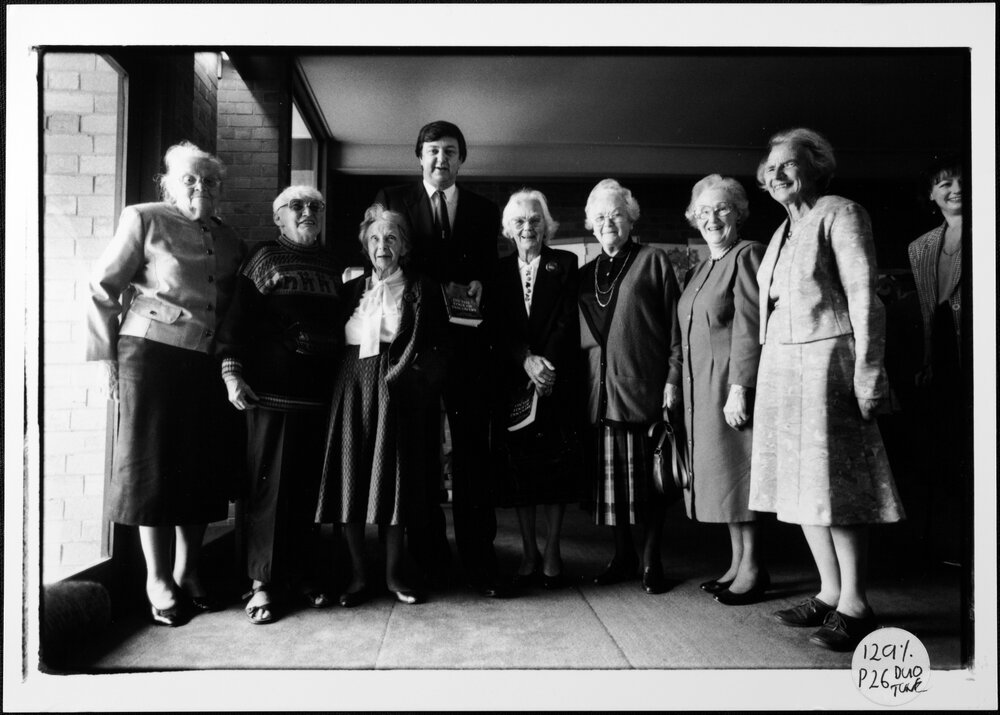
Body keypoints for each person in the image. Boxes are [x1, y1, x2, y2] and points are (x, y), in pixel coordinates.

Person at [749, 128, 905, 651]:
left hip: (827, 362)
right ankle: (830, 591)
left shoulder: (842, 212)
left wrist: (870, 371)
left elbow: (865, 299)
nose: (777, 175)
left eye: (788, 164)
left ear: (818, 166)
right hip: (784, 365)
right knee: (800, 487)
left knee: (835, 488)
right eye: (770, 169)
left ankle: (857, 605)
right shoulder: (780, 231)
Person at [87, 141, 247, 626]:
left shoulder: (230, 238)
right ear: (169, 184)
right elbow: (101, 288)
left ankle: (188, 570)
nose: (201, 188)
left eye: (210, 181)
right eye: (190, 180)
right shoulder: (144, 218)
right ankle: (156, 579)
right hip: (150, 355)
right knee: (152, 467)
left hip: (203, 362)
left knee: (197, 468)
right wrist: (106, 359)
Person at [374, 120, 506, 597]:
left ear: (462, 159)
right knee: (420, 453)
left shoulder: (484, 209)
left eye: (450, 151)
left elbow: (489, 268)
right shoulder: (393, 200)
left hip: (469, 348)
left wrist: (481, 284)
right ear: (419, 157)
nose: (440, 159)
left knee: (473, 454)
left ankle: (479, 560)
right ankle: (427, 558)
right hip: (416, 348)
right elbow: (384, 260)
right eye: (432, 151)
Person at [216, 186, 343, 624]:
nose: (308, 213)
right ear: (278, 218)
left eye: (315, 207)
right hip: (271, 394)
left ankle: (302, 574)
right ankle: (262, 583)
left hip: (321, 398)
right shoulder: (264, 259)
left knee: (309, 490)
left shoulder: (331, 263)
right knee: (268, 490)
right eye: (298, 207)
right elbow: (237, 319)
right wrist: (232, 371)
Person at [315, 205, 450, 607]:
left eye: (390, 238)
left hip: (398, 393)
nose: (382, 246)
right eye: (374, 239)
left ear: (403, 245)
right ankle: (358, 575)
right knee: (350, 484)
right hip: (351, 390)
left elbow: (439, 350)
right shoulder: (351, 288)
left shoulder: (421, 288)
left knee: (393, 487)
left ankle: (393, 574)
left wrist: (407, 382)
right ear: (365, 246)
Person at [578, 178, 682, 595]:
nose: (608, 222)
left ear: (630, 218)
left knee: (650, 481)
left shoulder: (653, 260)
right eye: (600, 216)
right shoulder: (584, 274)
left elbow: (676, 330)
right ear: (590, 223)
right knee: (612, 487)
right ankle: (622, 554)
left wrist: (673, 378)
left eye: (616, 214)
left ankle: (651, 557)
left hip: (642, 389)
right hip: (599, 393)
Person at [677, 175, 768, 605]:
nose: (713, 218)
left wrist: (740, 387)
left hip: (728, 387)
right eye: (704, 211)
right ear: (694, 219)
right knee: (725, 478)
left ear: (739, 213)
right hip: (701, 390)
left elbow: (751, 328)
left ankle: (753, 568)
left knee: (739, 474)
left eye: (723, 209)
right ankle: (736, 563)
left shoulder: (747, 254)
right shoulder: (700, 268)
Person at [490, 189, 582, 590]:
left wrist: (545, 365)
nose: (528, 227)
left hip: (554, 381)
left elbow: (567, 321)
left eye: (535, 220)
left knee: (555, 471)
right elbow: (497, 327)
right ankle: (528, 552)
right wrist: (524, 359)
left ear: (547, 226)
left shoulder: (566, 263)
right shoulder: (497, 270)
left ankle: (552, 552)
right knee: (520, 474)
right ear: (509, 229)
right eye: (520, 222)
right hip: (514, 382)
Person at [907, 154, 966, 565]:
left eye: (962, 180)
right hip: (942, 350)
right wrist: (928, 359)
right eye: (944, 183)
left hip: (978, 352)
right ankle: (943, 544)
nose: (955, 189)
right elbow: (929, 309)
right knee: (942, 448)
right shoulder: (921, 246)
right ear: (932, 195)